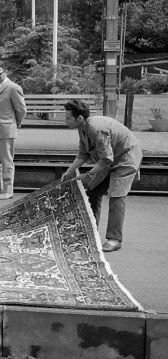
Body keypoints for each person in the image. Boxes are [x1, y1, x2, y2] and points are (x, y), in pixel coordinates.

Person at [59, 100, 142, 253]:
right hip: (109, 159)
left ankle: (114, 239)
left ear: (79, 118)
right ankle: (91, 231)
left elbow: (106, 159)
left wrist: (88, 174)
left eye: (68, 118)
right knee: (93, 190)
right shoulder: (83, 128)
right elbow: (83, 154)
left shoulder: (96, 129)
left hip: (125, 157)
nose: (66, 121)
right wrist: (69, 171)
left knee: (117, 196)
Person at [0, 63, 26, 200]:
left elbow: (21, 109)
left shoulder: (13, 88)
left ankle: (8, 190)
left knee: (6, 160)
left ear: (5, 72)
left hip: (6, 128)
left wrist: (15, 123)